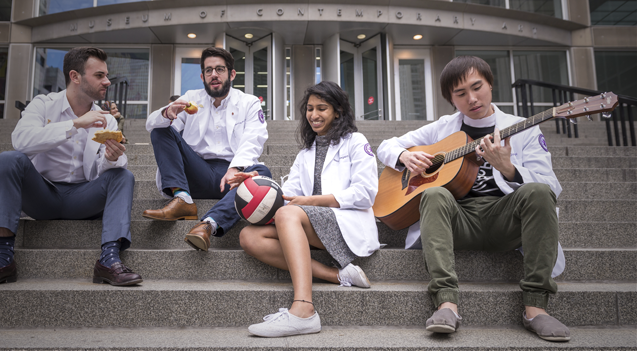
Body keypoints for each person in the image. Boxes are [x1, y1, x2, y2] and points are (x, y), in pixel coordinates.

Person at [376, 56, 569, 341]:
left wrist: (509, 169)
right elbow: (385, 145)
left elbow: (551, 187)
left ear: (490, 84)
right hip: (457, 221)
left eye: (477, 87)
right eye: (461, 93)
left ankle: (535, 308)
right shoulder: (443, 127)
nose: (472, 98)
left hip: (506, 219)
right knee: (433, 193)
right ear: (451, 100)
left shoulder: (523, 127)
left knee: (538, 192)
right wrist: (403, 156)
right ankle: (446, 303)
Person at [0, 47, 142, 288]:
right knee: (8, 159)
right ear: (75, 76)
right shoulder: (43, 105)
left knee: (123, 175)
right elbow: (21, 141)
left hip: (83, 198)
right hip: (42, 196)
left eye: (106, 75)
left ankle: (109, 260)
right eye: (99, 75)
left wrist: (111, 158)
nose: (107, 81)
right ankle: (3, 258)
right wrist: (75, 124)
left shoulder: (106, 119)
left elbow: (103, 170)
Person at [238, 81, 380, 337]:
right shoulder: (306, 152)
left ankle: (304, 309)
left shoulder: (356, 142)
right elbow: (287, 196)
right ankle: (338, 275)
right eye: (310, 108)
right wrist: (254, 185)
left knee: (288, 213)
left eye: (322, 108)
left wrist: (312, 201)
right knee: (248, 236)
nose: (314, 115)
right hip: (308, 224)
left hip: (346, 223)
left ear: (337, 111)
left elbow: (366, 192)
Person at [142, 47, 270, 251]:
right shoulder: (190, 98)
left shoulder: (249, 102)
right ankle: (182, 198)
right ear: (202, 76)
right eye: (209, 70)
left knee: (261, 173)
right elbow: (155, 126)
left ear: (232, 74)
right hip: (197, 172)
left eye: (220, 69)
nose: (214, 75)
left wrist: (235, 168)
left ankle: (207, 224)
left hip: (232, 179)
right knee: (160, 128)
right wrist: (167, 113)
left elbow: (254, 138)